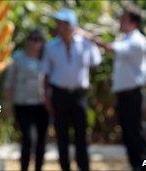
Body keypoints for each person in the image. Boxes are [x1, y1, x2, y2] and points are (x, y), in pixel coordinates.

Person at [78, 5, 146, 171]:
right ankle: (137, 167)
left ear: (132, 22)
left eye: (123, 18)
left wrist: (89, 37)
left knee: (137, 133)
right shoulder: (125, 39)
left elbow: (110, 48)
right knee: (128, 134)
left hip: (133, 94)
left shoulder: (136, 40)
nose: (120, 21)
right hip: (125, 95)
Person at [42, 8, 102, 171]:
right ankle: (65, 167)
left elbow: (96, 61)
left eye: (63, 23)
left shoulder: (85, 43)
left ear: (72, 26)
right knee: (62, 136)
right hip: (59, 95)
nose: (59, 26)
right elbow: (46, 74)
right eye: (59, 23)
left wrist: (90, 39)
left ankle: (84, 167)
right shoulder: (51, 46)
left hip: (78, 95)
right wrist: (47, 97)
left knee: (81, 135)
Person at [4, 30, 48, 171]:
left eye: (38, 40)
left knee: (41, 139)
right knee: (27, 139)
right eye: (32, 39)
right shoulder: (17, 58)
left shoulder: (46, 59)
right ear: (27, 41)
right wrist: (7, 104)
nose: (35, 43)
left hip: (42, 104)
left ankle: (38, 167)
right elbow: (9, 83)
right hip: (22, 104)